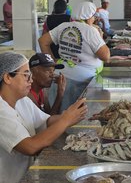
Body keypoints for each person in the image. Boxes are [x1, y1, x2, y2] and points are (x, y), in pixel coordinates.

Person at [0, 51, 88, 183]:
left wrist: (73, 114)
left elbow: (47, 121)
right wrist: (65, 120)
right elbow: (30, 146)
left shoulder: (22, 100)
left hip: (25, 176)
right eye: (25, 75)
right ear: (7, 78)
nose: (31, 80)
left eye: (30, 74)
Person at [39, 1, 110, 111]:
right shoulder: (90, 30)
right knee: (75, 118)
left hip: (61, 75)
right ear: (88, 16)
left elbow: (43, 41)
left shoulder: (64, 26)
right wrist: (99, 37)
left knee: (57, 113)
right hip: (82, 81)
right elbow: (105, 56)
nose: (94, 19)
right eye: (93, 16)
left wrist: (53, 63)